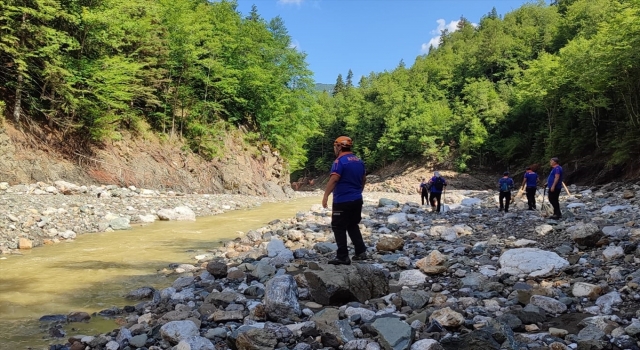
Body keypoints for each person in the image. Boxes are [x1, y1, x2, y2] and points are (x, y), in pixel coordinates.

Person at [322, 136, 368, 265]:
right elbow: (363, 179)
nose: (334, 149)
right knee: (352, 224)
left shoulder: (339, 161)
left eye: (335, 147)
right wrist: (359, 192)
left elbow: (334, 179)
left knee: (338, 226)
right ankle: (361, 251)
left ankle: (343, 256)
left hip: (342, 200)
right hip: (357, 198)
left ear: (339, 147)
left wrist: (326, 195)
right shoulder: (359, 161)